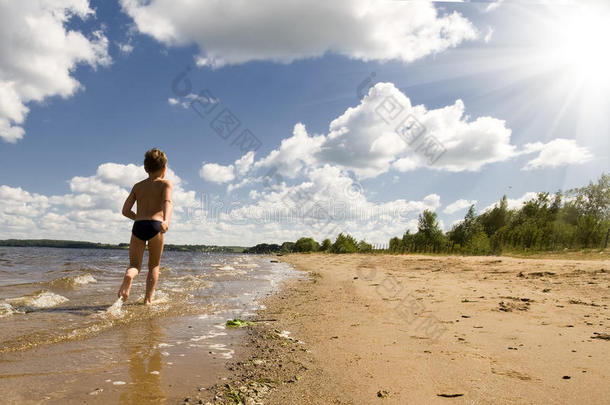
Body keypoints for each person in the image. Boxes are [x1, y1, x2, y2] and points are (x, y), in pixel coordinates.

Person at [117, 148, 173, 304]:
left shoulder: (138, 186)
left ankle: (129, 276)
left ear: (145, 168)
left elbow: (125, 211)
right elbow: (167, 202)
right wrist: (166, 220)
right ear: (164, 168)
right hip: (156, 225)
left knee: (134, 265)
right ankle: (147, 300)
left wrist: (139, 218)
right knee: (154, 265)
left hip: (139, 226)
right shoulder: (165, 184)